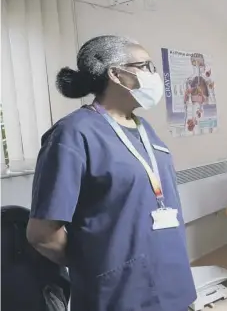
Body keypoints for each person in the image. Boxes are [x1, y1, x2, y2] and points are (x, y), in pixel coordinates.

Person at [26, 35, 196, 311]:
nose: (154, 76)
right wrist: (100, 263)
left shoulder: (144, 130)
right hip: (118, 294)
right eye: (145, 66)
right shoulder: (73, 134)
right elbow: (43, 234)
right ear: (116, 74)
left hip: (171, 282)